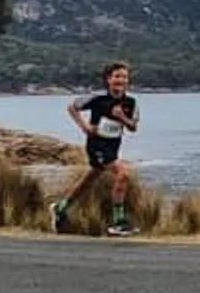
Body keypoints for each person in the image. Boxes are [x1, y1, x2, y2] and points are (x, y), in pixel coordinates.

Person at [51, 61, 140, 236]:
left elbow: (133, 127)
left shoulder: (131, 102)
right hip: (97, 145)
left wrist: (122, 117)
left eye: (124, 77)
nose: (120, 80)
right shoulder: (98, 98)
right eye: (117, 76)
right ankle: (117, 222)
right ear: (108, 79)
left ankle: (61, 208)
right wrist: (84, 127)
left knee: (89, 180)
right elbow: (72, 107)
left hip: (113, 146)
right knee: (123, 174)